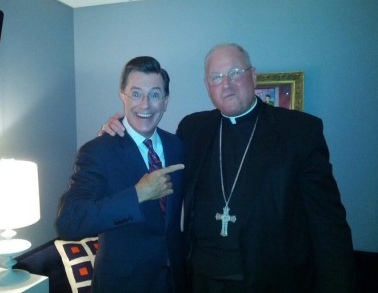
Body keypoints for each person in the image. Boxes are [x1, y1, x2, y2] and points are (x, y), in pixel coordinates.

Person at [100, 43, 355, 292]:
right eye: (216, 77)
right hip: (201, 278)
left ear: (253, 76)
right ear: (208, 86)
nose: (226, 84)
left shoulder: (299, 132)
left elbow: (328, 226)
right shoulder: (193, 129)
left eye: (235, 73)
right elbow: (150, 154)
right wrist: (120, 131)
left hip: (269, 279)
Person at [57, 56, 186, 293]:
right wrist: (137, 194)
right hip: (123, 284)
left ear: (166, 101)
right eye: (136, 94)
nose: (145, 104)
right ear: (122, 97)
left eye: (155, 94)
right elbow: (69, 221)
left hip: (174, 282)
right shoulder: (98, 151)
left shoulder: (177, 146)